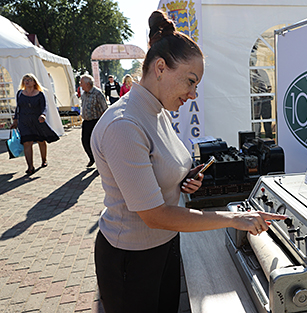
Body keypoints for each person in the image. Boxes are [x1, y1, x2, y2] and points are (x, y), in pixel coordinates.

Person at [91, 10, 287, 313]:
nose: (193, 94)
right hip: (131, 257)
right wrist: (234, 219)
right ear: (160, 68)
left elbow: (161, 167)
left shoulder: (158, 111)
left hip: (165, 245)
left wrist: (184, 177)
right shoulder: (125, 126)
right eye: (190, 81)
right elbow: (154, 215)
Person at [11, 73, 59, 175]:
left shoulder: (40, 94)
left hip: (37, 120)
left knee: (41, 141)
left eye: (29, 80)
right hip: (24, 121)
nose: (27, 81)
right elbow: (18, 108)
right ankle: (30, 167)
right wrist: (15, 120)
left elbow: (44, 107)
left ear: (34, 82)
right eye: (25, 80)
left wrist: (43, 115)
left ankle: (44, 160)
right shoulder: (20, 93)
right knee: (27, 142)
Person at [79, 74, 108, 167]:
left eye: (82, 83)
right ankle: (92, 158)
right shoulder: (84, 94)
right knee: (85, 141)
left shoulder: (97, 93)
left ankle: (101, 162)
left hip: (96, 122)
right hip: (86, 122)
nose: (80, 85)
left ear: (88, 84)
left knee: (97, 144)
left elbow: (105, 109)